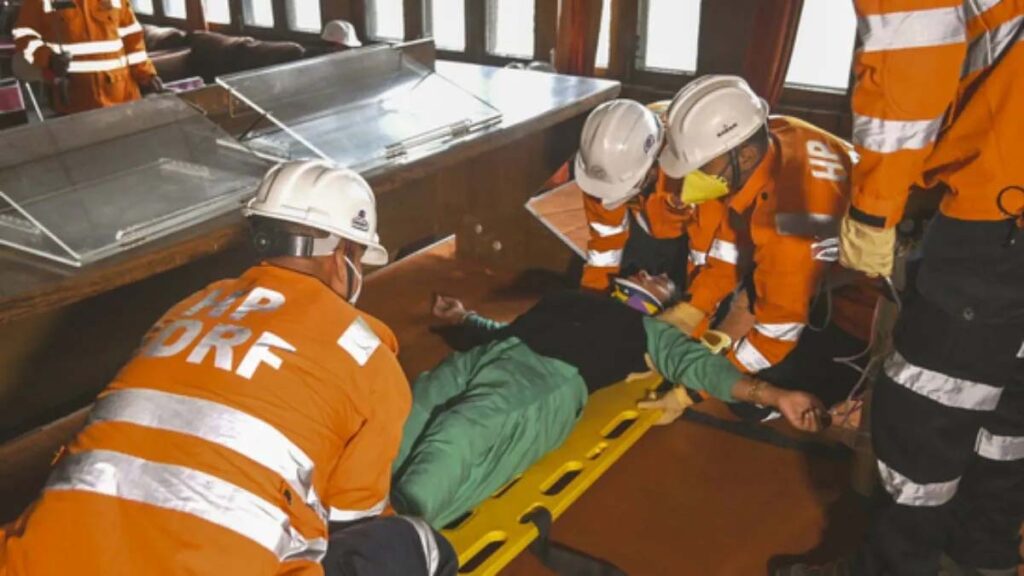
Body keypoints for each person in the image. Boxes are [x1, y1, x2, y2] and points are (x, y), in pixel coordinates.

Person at [0, 160, 453, 576]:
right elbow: (353, 521)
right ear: (344, 255)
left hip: (36, 563)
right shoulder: (368, 355)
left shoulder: (187, 309)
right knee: (418, 545)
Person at [783, 1, 1024, 575]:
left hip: (1001, 208)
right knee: (1011, 412)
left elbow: (912, 49)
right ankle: (981, 560)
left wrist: (873, 210)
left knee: (924, 414)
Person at [390, 272, 829, 528]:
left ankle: (394, 540)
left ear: (663, 304)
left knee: (461, 433)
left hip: (546, 380)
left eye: (661, 279)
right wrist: (465, 318)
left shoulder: (646, 332)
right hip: (493, 356)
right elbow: (511, 331)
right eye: (649, 273)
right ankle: (360, 503)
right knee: (411, 410)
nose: (648, 272)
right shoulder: (566, 300)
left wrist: (772, 394)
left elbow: (699, 366)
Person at [656, 75, 880, 417]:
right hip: (823, 277)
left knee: (750, 401)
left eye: (700, 166)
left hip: (862, 312)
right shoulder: (775, 133)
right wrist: (692, 311)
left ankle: (847, 384)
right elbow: (727, 255)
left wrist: (694, 390)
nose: (691, 176)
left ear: (744, 156)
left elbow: (775, 337)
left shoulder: (789, 225)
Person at [576, 98, 727, 292]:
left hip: (698, 236)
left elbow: (705, 251)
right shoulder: (602, 170)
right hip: (644, 226)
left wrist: (696, 302)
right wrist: (592, 295)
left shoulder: (701, 166)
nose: (610, 197)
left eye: (628, 187)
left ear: (653, 165)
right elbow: (606, 241)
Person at [12, 0, 163, 115]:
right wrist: (48, 59)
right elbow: (23, 35)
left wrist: (146, 75)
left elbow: (132, 39)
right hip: (76, 104)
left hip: (124, 100)